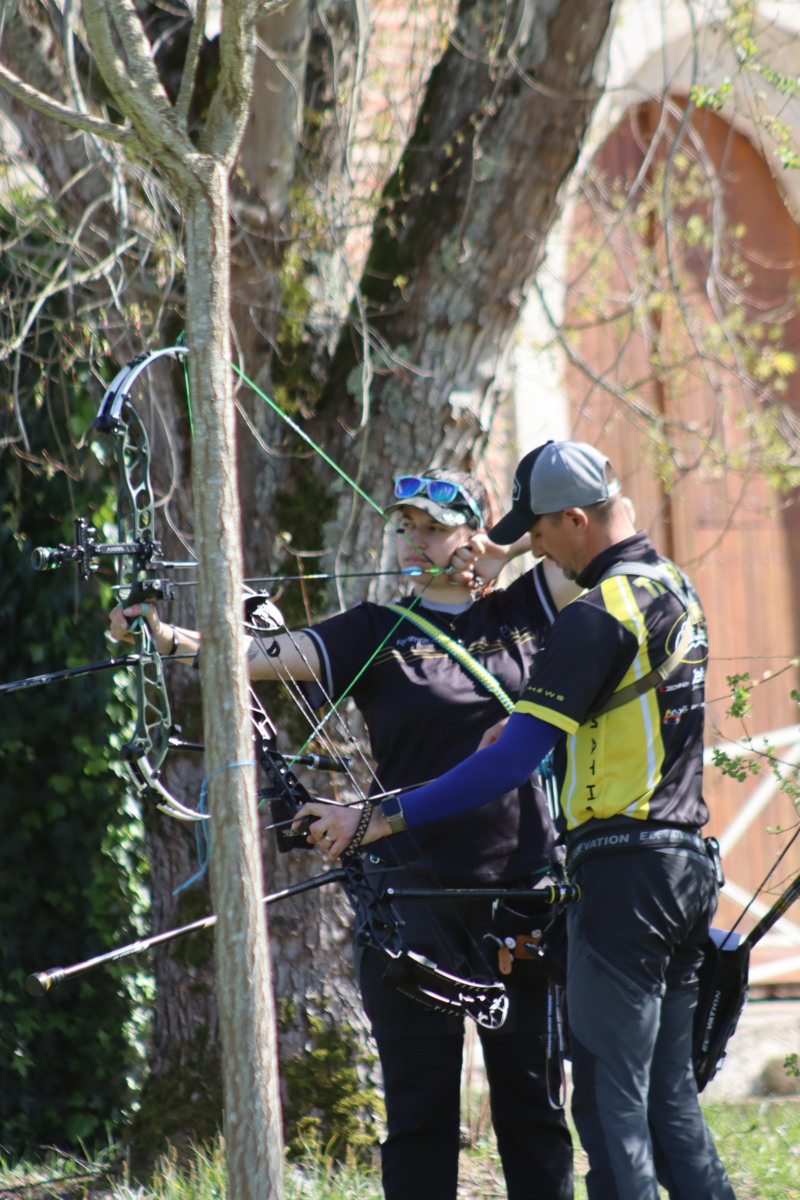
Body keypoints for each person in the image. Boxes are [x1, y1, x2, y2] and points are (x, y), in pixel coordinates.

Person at [110, 467, 575, 1200]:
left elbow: (598, 538)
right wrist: (162, 636)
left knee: (534, 1111)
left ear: (471, 533)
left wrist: (503, 549)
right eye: (407, 527)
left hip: (520, 893)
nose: (413, 541)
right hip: (412, 897)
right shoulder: (374, 628)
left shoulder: (526, 609)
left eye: (434, 528)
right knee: (419, 1113)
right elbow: (255, 656)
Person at [299, 442, 736, 1200]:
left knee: (609, 1112)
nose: (531, 543)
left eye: (537, 529)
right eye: (407, 529)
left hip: (614, 880)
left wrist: (378, 818)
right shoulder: (673, 587)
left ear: (573, 519)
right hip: (682, 865)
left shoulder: (589, 616)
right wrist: (170, 640)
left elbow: (507, 764)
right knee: (667, 1105)